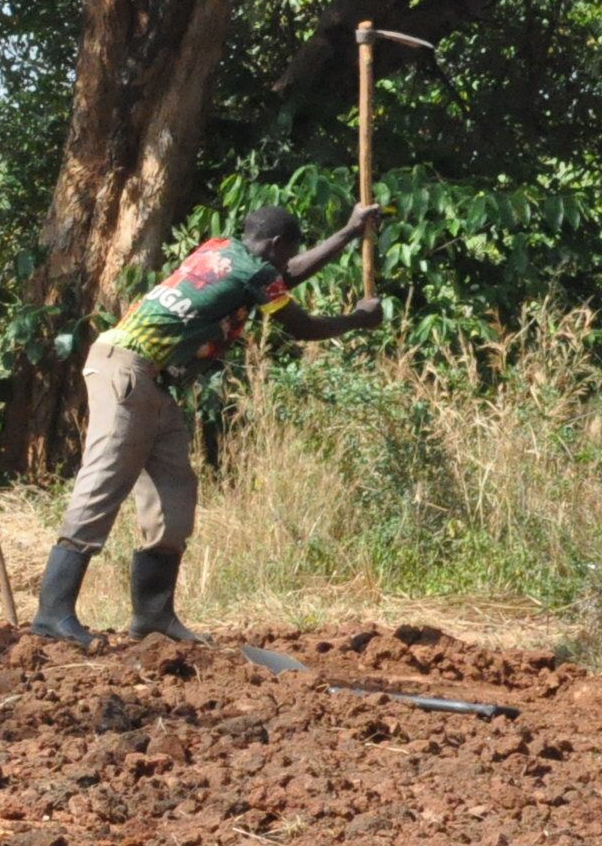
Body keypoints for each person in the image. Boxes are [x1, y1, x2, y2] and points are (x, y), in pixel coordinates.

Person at [33, 199, 387, 646]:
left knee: (174, 493)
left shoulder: (221, 249)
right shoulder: (250, 270)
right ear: (276, 245)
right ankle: (53, 613)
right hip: (126, 369)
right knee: (104, 481)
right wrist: (357, 320)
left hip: (151, 381)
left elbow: (283, 275)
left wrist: (350, 232)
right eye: (283, 253)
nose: (282, 267)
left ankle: (154, 618)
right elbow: (299, 324)